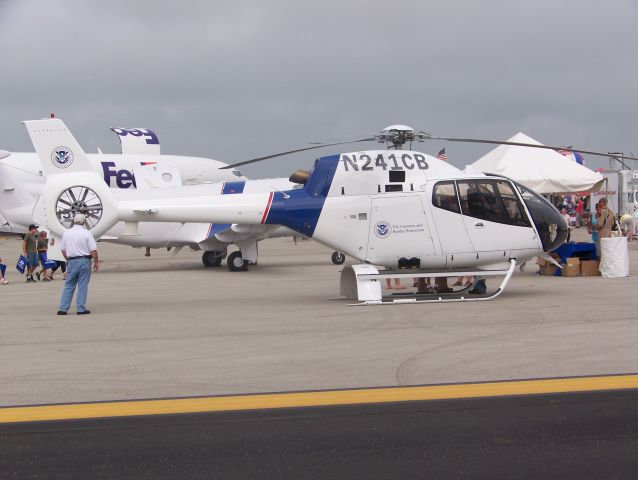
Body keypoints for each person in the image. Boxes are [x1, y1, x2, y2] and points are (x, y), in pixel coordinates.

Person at [57, 213, 99, 315]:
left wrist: (69, 259)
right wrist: (96, 261)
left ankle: (63, 308)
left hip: (72, 261)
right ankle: (80, 308)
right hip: (84, 260)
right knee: (83, 285)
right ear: (83, 222)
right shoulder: (87, 233)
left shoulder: (67, 233)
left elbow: (63, 249)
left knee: (69, 285)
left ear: (73, 221)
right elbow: (93, 249)